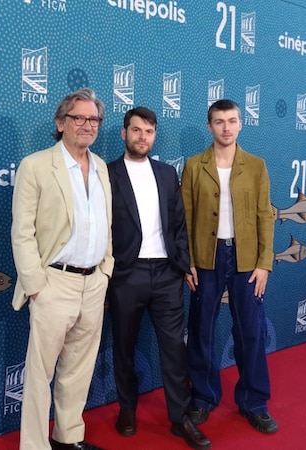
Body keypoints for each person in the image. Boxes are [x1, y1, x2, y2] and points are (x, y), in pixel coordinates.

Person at [10, 88, 113, 450]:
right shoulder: (36, 165)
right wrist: (36, 284)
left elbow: (106, 224)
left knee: (78, 369)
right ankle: (35, 446)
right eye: (78, 118)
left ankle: (68, 439)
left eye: (94, 119)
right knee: (40, 374)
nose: (87, 125)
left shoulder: (101, 166)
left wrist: (106, 270)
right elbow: (21, 232)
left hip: (93, 283)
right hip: (53, 283)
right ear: (60, 123)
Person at [107, 107, 211, 450]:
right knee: (123, 347)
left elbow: (178, 224)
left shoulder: (167, 174)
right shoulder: (106, 175)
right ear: (124, 133)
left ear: (154, 136)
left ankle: (180, 418)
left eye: (149, 132)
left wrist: (183, 264)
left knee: (173, 350)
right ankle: (127, 408)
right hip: (127, 275)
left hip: (167, 275)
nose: (142, 137)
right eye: (136, 130)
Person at [181, 99, 278, 434]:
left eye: (232, 121)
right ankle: (203, 398)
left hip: (247, 261)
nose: (226, 127)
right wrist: (188, 262)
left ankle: (254, 401)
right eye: (219, 121)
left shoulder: (256, 166)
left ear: (240, 124)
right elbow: (185, 218)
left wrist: (264, 263)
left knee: (251, 332)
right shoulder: (194, 166)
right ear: (209, 126)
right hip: (206, 261)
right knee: (201, 331)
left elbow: (265, 215)